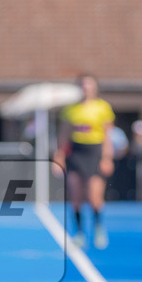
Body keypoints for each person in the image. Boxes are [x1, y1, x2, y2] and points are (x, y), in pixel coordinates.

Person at [54, 73, 116, 249]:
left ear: (95, 87)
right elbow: (64, 135)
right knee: (75, 195)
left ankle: (98, 228)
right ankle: (80, 232)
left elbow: (108, 136)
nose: (86, 88)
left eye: (89, 85)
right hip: (76, 152)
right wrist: (59, 157)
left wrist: (107, 158)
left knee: (94, 195)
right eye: (82, 85)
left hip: (94, 152)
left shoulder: (103, 107)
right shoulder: (70, 109)